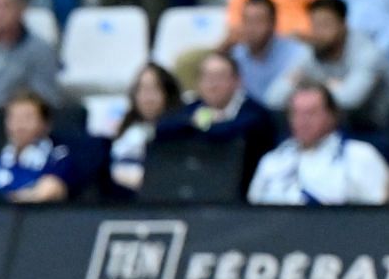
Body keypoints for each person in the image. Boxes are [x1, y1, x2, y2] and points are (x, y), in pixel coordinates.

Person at [247, 80, 386, 204]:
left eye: (311, 113)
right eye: (296, 113)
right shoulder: (272, 161)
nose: (303, 121)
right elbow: (252, 214)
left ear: (332, 115)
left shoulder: (360, 155)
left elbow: (383, 211)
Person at [265, 0, 389, 119]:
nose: (318, 33)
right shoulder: (310, 52)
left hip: (377, 129)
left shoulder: (369, 54)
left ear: (343, 25)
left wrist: (313, 87)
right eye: (315, 25)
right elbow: (273, 99)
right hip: (334, 129)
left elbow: (350, 101)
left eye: (325, 25)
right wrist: (331, 86)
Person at [157, 48, 278, 180]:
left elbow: (229, 133)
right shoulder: (193, 108)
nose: (212, 84)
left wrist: (202, 125)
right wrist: (195, 122)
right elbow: (162, 128)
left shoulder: (254, 112)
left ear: (237, 81)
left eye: (220, 77)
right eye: (207, 77)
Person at [0, 92, 75, 201]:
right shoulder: (2, 157)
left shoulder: (57, 157)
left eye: (27, 118)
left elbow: (50, 189)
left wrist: (5, 198)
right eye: (13, 118)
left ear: (45, 124)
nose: (19, 125)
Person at [108, 62, 183, 195]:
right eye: (142, 89)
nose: (147, 97)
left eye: (154, 89)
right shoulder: (126, 129)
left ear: (167, 93)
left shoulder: (179, 130)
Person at [229, 0, 305, 102]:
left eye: (257, 21)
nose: (250, 28)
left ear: (273, 23)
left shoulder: (297, 53)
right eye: (246, 21)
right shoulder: (236, 55)